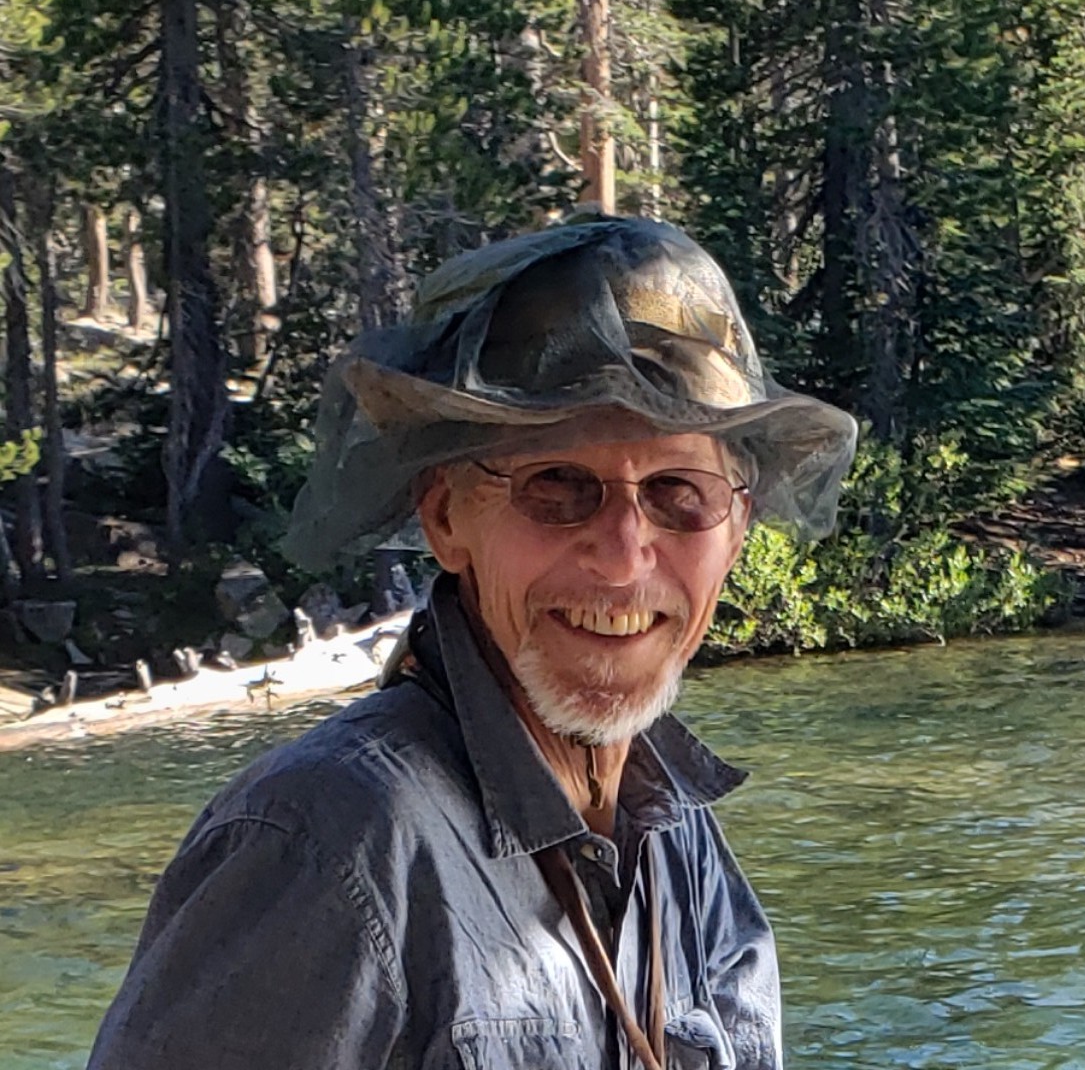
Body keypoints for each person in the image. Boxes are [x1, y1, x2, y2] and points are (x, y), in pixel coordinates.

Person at [87, 217, 857, 1070]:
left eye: (680, 491)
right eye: (557, 485)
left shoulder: (677, 830)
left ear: (737, 528)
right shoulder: (320, 843)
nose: (623, 550)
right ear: (447, 517)